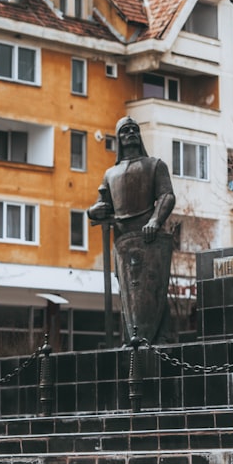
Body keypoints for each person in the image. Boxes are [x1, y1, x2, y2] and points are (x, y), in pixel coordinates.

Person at [88, 117, 176, 343]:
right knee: (128, 293)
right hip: (122, 242)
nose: (130, 133)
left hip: (149, 240)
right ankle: (131, 339)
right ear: (118, 138)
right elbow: (102, 204)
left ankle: (163, 338)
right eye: (125, 130)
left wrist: (155, 221)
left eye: (134, 129)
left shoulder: (155, 165)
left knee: (153, 289)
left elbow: (167, 195)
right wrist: (94, 211)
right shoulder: (110, 174)